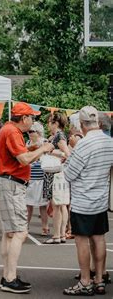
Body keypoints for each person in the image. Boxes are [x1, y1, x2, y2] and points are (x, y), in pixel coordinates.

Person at [0, 102, 54, 293]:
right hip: (11, 184)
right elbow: (23, 160)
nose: (33, 121)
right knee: (19, 232)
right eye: (32, 117)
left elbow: (20, 155)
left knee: (9, 233)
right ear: (25, 118)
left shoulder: (9, 129)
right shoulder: (12, 131)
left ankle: (7, 275)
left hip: (7, 183)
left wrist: (34, 148)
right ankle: (9, 278)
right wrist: (42, 149)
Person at [63, 106, 113, 296]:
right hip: (100, 199)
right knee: (99, 238)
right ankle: (99, 278)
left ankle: (85, 280)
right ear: (98, 122)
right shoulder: (109, 142)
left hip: (83, 201)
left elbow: (69, 174)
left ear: (82, 124)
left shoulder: (82, 145)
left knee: (82, 241)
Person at [43, 112, 71, 244]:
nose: (48, 125)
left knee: (57, 205)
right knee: (60, 205)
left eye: (49, 122)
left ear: (55, 123)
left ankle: (57, 235)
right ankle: (61, 234)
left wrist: (50, 151)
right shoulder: (57, 136)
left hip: (56, 174)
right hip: (57, 174)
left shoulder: (59, 136)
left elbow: (67, 153)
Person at [25, 122, 49, 235]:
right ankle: (26, 226)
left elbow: (48, 155)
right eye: (29, 131)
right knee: (28, 204)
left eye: (31, 131)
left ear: (38, 132)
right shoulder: (28, 143)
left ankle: (45, 227)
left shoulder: (44, 142)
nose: (29, 134)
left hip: (41, 177)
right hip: (29, 177)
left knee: (42, 205)